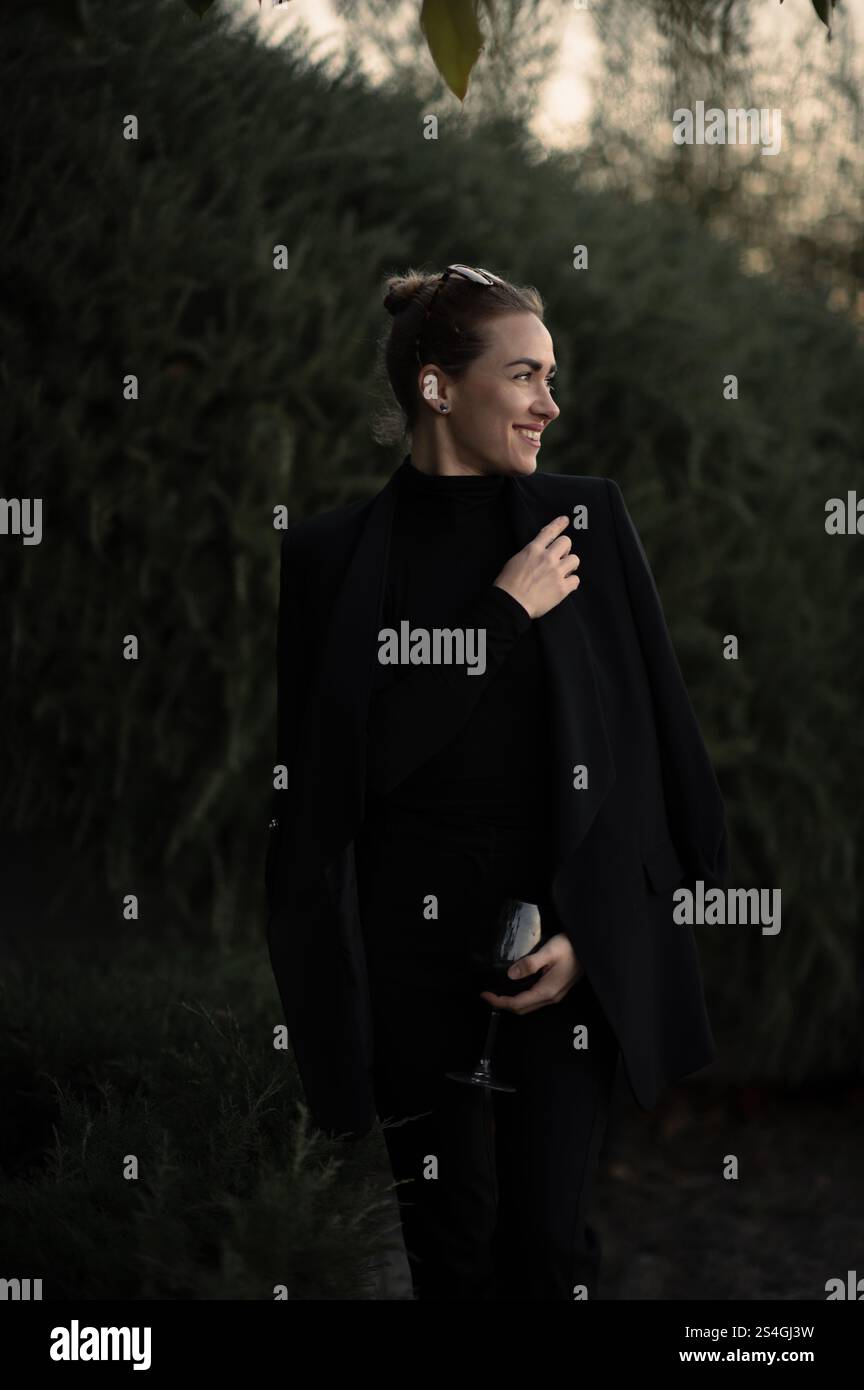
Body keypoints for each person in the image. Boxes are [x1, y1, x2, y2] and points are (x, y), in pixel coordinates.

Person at [265, 264, 729, 1301]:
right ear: (437, 388)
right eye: (524, 376)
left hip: (562, 952)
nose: (550, 405)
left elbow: (646, 753)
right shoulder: (331, 557)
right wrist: (498, 619)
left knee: (548, 1251)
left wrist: (594, 931)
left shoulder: (585, 522)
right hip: (406, 962)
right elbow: (342, 775)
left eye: (551, 377)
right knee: (452, 1249)